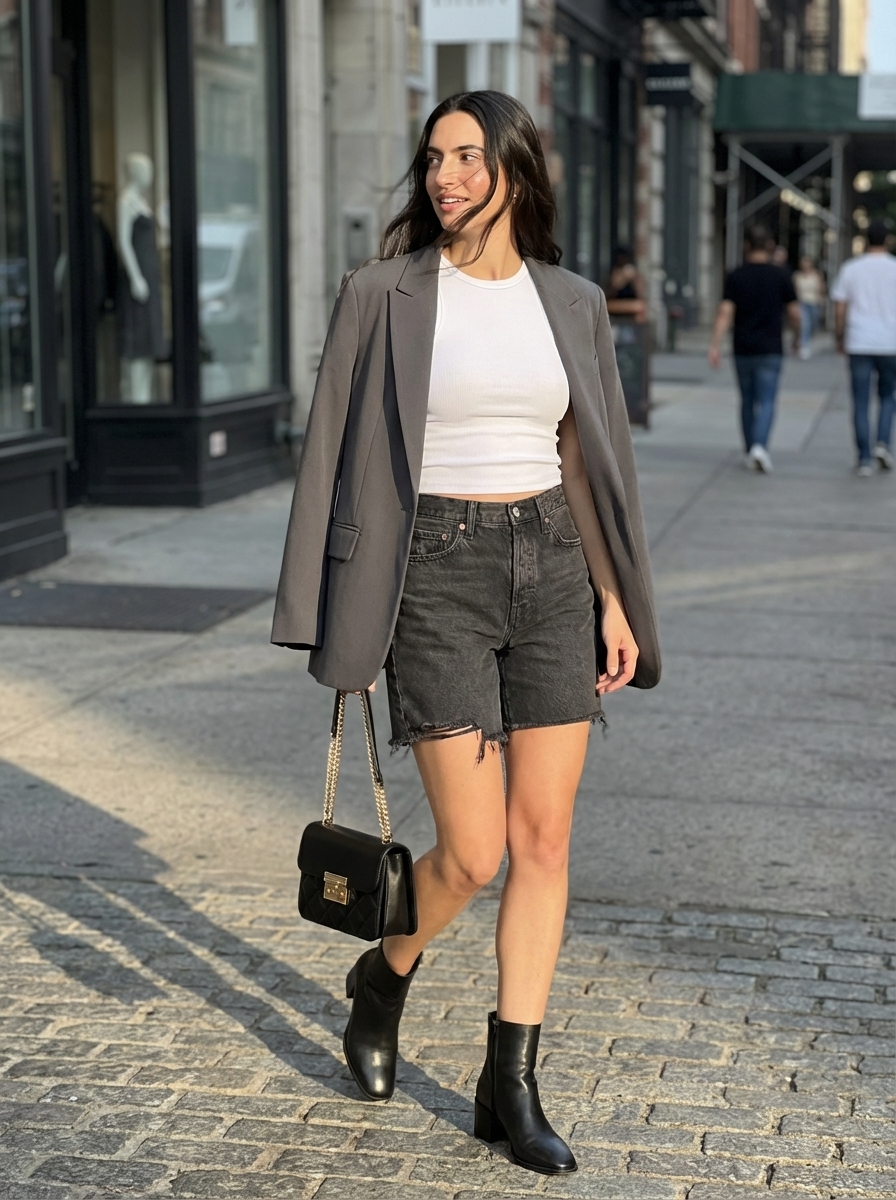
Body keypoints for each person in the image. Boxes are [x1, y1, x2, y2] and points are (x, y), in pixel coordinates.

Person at [271, 91, 660, 1175]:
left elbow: (586, 459)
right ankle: (385, 973)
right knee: (475, 851)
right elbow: (331, 458)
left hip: (552, 568)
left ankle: (509, 1081)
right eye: (432, 158)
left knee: (543, 842)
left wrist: (614, 600)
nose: (442, 176)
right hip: (430, 576)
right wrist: (324, 607)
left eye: (465, 156)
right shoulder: (380, 294)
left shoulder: (571, 301)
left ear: (515, 171)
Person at [708, 224, 800, 473]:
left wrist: (715, 344)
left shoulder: (736, 275)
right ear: (770, 246)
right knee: (768, 399)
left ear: (745, 246)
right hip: (771, 348)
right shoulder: (781, 275)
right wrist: (798, 338)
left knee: (747, 400)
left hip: (743, 347)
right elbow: (794, 312)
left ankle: (750, 449)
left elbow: (725, 312)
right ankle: (760, 446)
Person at [830, 220, 896, 476]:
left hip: (859, 340)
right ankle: (882, 443)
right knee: (888, 396)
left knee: (860, 400)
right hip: (890, 342)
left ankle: (864, 458)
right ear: (888, 239)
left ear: (866, 240)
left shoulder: (851, 269)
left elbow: (840, 306)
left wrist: (840, 335)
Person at [792, 254, 826, 359]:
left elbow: (822, 288)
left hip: (814, 302)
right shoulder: (797, 276)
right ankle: (804, 345)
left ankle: (804, 341)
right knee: (804, 325)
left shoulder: (816, 275)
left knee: (812, 324)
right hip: (802, 302)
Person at [604, 245, 647, 323]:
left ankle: (638, 331)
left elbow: (640, 293)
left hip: (630, 303)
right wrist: (623, 277)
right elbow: (611, 290)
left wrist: (634, 278)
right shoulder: (614, 272)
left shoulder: (634, 272)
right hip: (615, 303)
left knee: (639, 307)